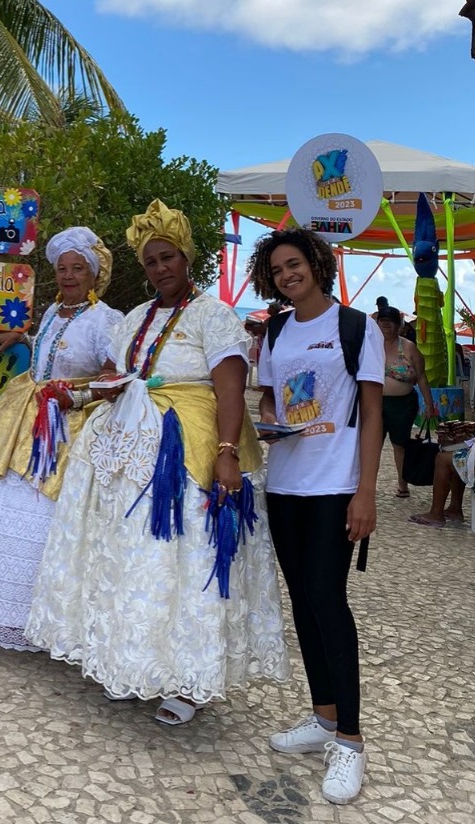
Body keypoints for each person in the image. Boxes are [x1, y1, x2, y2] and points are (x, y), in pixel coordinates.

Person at [26, 200, 288, 721]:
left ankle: (186, 681)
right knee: (126, 557)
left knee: (178, 561)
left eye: (168, 257)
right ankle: (129, 662)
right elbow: (114, 380)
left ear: (185, 258)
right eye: (151, 262)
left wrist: (228, 453)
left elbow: (230, 388)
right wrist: (73, 398)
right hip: (122, 450)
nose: (160, 268)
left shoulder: (213, 315)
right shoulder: (135, 318)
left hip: (186, 450)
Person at [249, 227, 384, 805]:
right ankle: (323, 718)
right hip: (285, 484)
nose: (287, 275)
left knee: (329, 602)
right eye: (277, 269)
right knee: (303, 600)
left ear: (317, 263)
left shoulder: (356, 328)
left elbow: (374, 413)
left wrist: (367, 492)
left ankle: (350, 742)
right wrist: (274, 416)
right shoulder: (275, 329)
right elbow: (268, 397)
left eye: (294, 264)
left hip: (335, 484)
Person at [0, 227, 123, 650]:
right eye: (62, 269)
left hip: (66, 424)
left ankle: (37, 621)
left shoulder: (107, 320)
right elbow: (50, 348)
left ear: (95, 275)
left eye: (78, 269)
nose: (69, 276)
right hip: (23, 413)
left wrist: (74, 396)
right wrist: (20, 336)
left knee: (40, 516)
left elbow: (113, 377)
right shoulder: (52, 312)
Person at [376, 304, 435, 498]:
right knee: (372, 443)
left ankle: (403, 483)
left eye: (390, 323)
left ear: (398, 325)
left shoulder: (409, 347)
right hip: (375, 402)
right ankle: (366, 485)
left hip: (402, 404)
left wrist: (429, 404)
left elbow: (422, 377)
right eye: (382, 322)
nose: (386, 326)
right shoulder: (370, 345)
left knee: (399, 444)